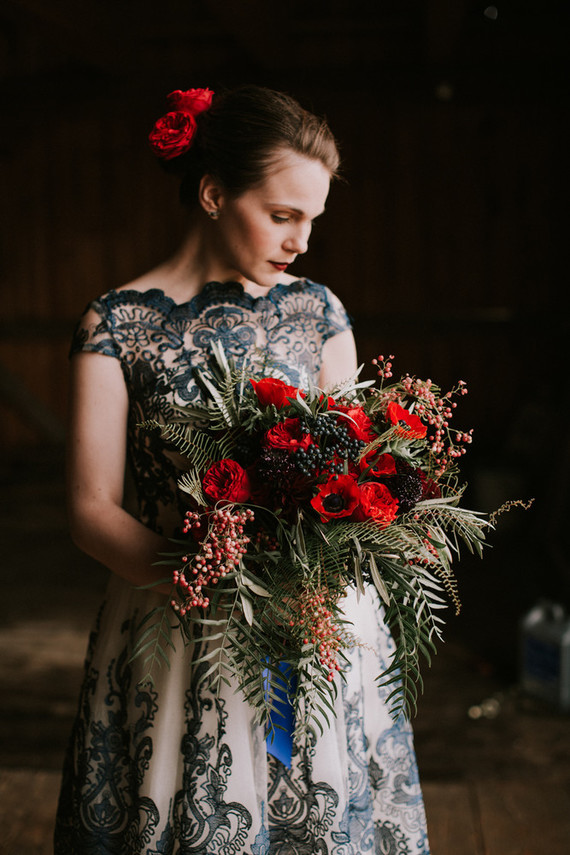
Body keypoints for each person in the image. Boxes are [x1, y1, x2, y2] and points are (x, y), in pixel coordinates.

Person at [55, 84, 430, 855]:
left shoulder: (319, 312)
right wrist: (206, 581)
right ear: (214, 192)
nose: (301, 241)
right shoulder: (117, 322)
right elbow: (91, 507)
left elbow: (353, 474)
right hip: (174, 616)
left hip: (312, 624)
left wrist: (326, 566)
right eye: (283, 215)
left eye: (313, 220)